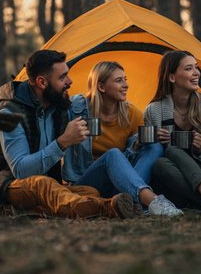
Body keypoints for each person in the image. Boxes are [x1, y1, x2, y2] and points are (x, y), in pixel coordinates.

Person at [0, 50, 135, 219]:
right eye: (62, 77)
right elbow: (21, 170)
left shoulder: (57, 108)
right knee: (42, 184)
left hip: (40, 183)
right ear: (42, 82)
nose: (70, 81)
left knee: (89, 190)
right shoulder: (10, 113)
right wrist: (63, 142)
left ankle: (33, 210)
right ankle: (106, 208)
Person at [63, 61, 183, 217]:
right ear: (101, 87)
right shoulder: (77, 108)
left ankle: (129, 203)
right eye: (119, 80)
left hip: (119, 183)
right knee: (112, 154)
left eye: (125, 79)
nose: (126, 85)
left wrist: (138, 143)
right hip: (87, 183)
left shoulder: (130, 113)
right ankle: (153, 201)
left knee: (154, 146)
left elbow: (132, 154)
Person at [143, 50, 201, 214]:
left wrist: (200, 149)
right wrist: (154, 140)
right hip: (175, 181)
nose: (196, 73)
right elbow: (149, 156)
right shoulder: (153, 111)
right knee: (161, 162)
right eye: (189, 68)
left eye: (196, 68)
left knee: (173, 149)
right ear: (172, 77)